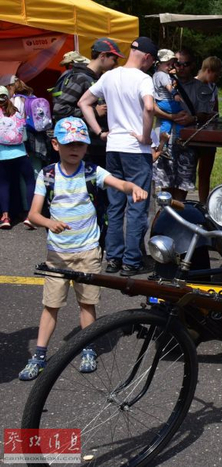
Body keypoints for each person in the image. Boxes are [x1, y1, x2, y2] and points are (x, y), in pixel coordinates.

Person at [18, 117, 148, 380]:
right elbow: (33, 214)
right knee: (51, 305)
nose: (74, 149)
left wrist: (132, 186)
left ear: (87, 146)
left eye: (79, 144)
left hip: (88, 251)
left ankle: (87, 348)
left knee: (87, 304)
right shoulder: (48, 175)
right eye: (68, 144)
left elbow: (118, 183)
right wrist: (49, 223)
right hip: (57, 254)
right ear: (55, 144)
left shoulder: (92, 172)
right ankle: (39, 356)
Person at [78, 36, 156, 276]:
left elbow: (84, 102)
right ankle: (131, 261)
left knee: (115, 206)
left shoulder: (109, 76)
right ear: (147, 57)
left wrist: (99, 132)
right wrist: (145, 136)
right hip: (136, 150)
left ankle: (113, 258)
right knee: (137, 206)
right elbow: (149, 107)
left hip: (113, 147)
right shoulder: (143, 79)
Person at [52, 38, 124, 168]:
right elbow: (60, 109)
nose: (116, 63)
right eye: (114, 59)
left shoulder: (100, 79)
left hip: (100, 146)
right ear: (103, 56)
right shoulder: (80, 78)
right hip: (86, 149)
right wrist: (95, 112)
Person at [152, 48, 211, 201]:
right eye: (178, 64)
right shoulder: (162, 80)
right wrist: (171, 116)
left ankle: (179, 213)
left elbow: (205, 113)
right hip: (165, 141)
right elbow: (151, 107)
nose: (181, 67)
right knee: (165, 187)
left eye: (186, 64)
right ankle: (166, 214)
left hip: (187, 142)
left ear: (193, 65)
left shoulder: (200, 88)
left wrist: (192, 119)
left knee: (182, 187)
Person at [0, 86, 36, 230]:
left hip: (2, 155)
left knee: (3, 184)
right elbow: (24, 136)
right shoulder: (16, 111)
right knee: (29, 181)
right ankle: (31, 216)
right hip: (20, 153)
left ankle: (5, 217)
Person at [195, 56, 222, 202]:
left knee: (205, 174)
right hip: (193, 135)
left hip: (208, 134)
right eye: (216, 75)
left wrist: (214, 115)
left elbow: (216, 110)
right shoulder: (193, 85)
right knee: (187, 174)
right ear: (208, 70)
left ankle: (203, 204)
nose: (217, 79)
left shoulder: (213, 88)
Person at [153, 49, 181, 143]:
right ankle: (179, 136)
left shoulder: (156, 74)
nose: (170, 67)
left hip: (159, 102)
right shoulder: (163, 75)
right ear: (159, 64)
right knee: (182, 113)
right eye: (167, 64)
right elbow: (169, 87)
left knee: (166, 122)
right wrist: (175, 94)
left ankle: (162, 142)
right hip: (167, 101)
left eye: (171, 64)